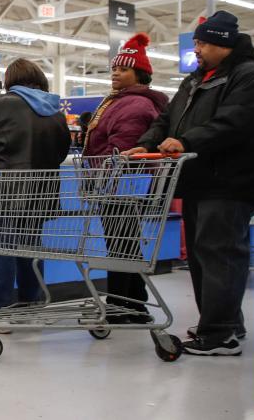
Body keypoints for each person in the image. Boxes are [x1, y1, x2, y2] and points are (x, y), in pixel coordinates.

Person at [125, 11, 254, 356]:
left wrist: (188, 141)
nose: (196, 48)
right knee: (202, 255)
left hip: (230, 182)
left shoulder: (250, 77)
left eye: (203, 42)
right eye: (196, 41)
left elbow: (234, 123)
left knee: (219, 254)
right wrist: (148, 142)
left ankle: (219, 333)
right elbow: (166, 119)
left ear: (223, 43)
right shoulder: (195, 80)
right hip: (196, 181)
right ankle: (223, 323)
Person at [0, 58, 71, 308]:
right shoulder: (55, 111)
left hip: (2, 192)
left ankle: (1, 307)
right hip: (41, 194)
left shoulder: (1, 104)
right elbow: (62, 152)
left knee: (0, 249)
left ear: (9, 81)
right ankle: (33, 302)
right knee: (31, 248)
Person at [83, 32, 168, 324]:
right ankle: (134, 305)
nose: (115, 72)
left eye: (124, 69)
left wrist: (102, 172)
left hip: (121, 184)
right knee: (127, 244)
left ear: (140, 74)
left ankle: (121, 305)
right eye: (114, 68)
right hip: (122, 185)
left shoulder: (135, 105)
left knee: (120, 245)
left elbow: (124, 149)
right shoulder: (126, 100)